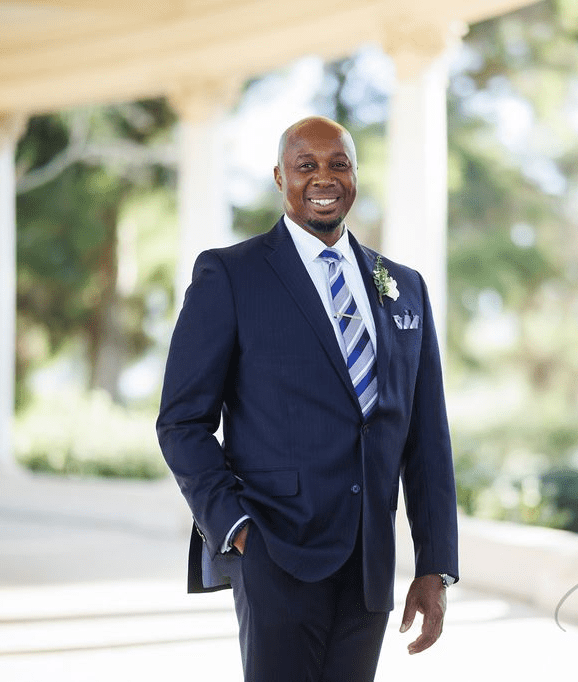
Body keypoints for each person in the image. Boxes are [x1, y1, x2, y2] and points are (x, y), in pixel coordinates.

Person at [156, 115, 458, 682]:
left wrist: (434, 566)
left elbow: (427, 438)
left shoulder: (404, 286)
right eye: (306, 165)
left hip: (369, 566)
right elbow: (181, 422)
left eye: (338, 164)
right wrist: (236, 528)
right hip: (275, 550)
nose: (324, 177)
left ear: (355, 176)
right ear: (279, 177)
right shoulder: (231, 274)